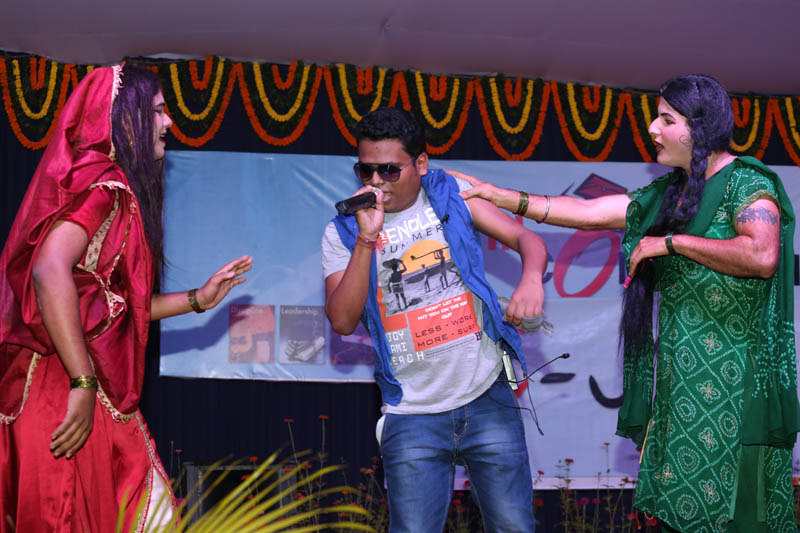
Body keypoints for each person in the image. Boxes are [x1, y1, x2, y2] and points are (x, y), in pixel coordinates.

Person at [453, 74, 799, 532]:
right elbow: (588, 213)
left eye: (666, 120)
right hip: (681, 395)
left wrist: (671, 243)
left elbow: (762, 255)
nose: (653, 129)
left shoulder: (747, 184)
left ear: (700, 126)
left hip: (737, 397)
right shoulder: (672, 194)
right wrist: (500, 196)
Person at [0, 65, 253, 532]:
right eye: (157, 111)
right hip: (67, 388)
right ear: (124, 119)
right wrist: (82, 383)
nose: (168, 122)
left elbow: (117, 304)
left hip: (73, 385)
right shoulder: (106, 188)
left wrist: (198, 298)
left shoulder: (109, 190)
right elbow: (48, 269)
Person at [321, 107, 546, 532]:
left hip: (487, 397)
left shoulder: (451, 192)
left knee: (515, 526)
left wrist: (531, 280)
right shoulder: (343, 232)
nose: (376, 182)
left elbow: (525, 237)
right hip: (412, 413)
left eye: (389, 170)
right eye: (366, 170)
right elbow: (342, 321)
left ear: (420, 164)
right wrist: (367, 238)